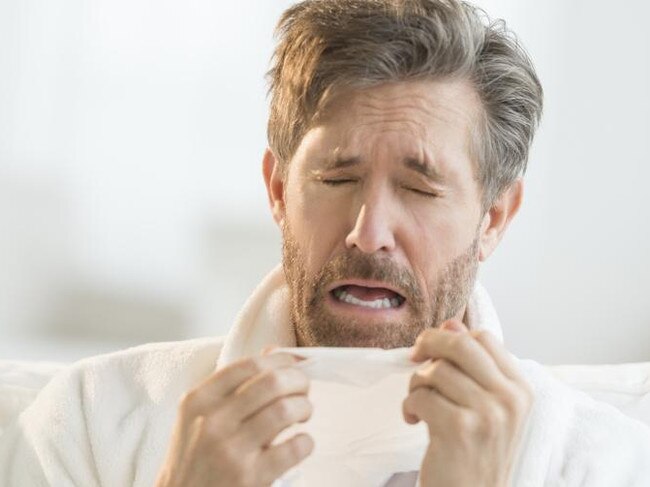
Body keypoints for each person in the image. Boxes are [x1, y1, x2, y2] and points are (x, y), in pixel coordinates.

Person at [2, 1, 650, 486]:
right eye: (336, 176)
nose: (368, 231)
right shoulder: (94, 421)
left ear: (496, 216)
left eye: (420, 189)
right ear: (279, 189)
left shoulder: (596, 461)